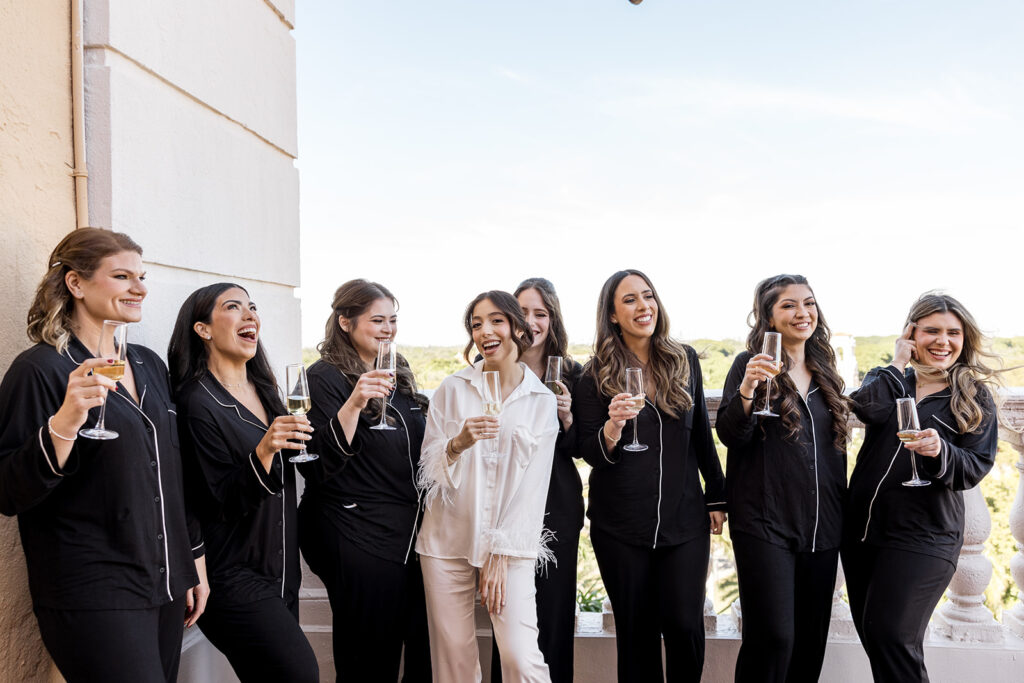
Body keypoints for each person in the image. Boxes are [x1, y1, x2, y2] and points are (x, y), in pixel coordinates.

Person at [0, 228, 207, 683]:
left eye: (141, 276)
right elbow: (9, 492)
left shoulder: (150, 364)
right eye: (122, 276)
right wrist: (66, 420)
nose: (140, 288)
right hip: (92, 590)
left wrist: (192, 565)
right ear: (76, 284)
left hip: (165, 585)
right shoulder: (39, 370)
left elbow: (172, 475)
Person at [574, 269, 726, 683]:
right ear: (611, 315)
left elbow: (700, 436)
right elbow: (588, 451)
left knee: (684, 625)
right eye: (630, 300)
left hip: (685, 518)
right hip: (619, 525)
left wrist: (716, 495)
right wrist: (612, 428)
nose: (644, 307)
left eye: (648, 296)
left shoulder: (684, 358)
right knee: (636, 634)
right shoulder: (592, 375)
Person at [843, 292, 1000, 683]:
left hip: (925, 536)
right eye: (931, 331)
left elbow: (974, 467)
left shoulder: (973, 395)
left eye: (953, 332)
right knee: (877, 639)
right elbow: (864, 408)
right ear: (912, 333)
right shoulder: (893, 380)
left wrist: (940, 449)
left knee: (892, 638)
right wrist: (896, 362)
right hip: (863, 533)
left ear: (965, 339)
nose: (942, 341)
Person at [168, 283, 319, 683]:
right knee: (301, 674)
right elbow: (219, 500)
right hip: (232, 575)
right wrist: (266, 448)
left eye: (252, 307)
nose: (250, 315)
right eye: (234, 307)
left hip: (282, 570)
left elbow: (292, 469)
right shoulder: (196, 403)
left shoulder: (266, 388)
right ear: (203, 329)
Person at [417, 290, 558, 683]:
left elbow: (534, 487)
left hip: (509, 547)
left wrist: (499, 552)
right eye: (476, 324)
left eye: (495, 320)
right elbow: (428, 470)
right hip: (446, 541)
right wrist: (457, 443)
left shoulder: (540, 401)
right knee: (454, 665)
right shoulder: (453, 388)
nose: (485, 331)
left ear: (517, 327)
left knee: (519, 658)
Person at [716, 274, 849, 682]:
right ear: (768, 317)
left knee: (810, 642)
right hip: (763, 522)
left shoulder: (825, 367)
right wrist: (747, 389)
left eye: (808, 303)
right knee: (773, 637)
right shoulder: (749, 365)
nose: (802, 312)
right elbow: (729, 433)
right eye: (789, 305)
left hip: (822, 525)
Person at [297, 279, 432, 682]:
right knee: (368, 655)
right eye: (377, 320)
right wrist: (355, 402)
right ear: (345, 322)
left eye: (392, 319)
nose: (388, 328)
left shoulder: (396, 370)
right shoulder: (323, 378)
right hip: (353, 530)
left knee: (418, 647)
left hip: (405, 533)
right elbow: (315, 462)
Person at [491, 278, 584, 683]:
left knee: (554, 612)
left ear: (553, 320)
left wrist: (567, 418)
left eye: (540, 314)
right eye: (523, 312)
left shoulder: (574, 373)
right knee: (507, 617)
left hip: (556, 505)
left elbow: (584, 447)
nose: (531, 321)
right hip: (504, 506)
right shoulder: (494, 371)